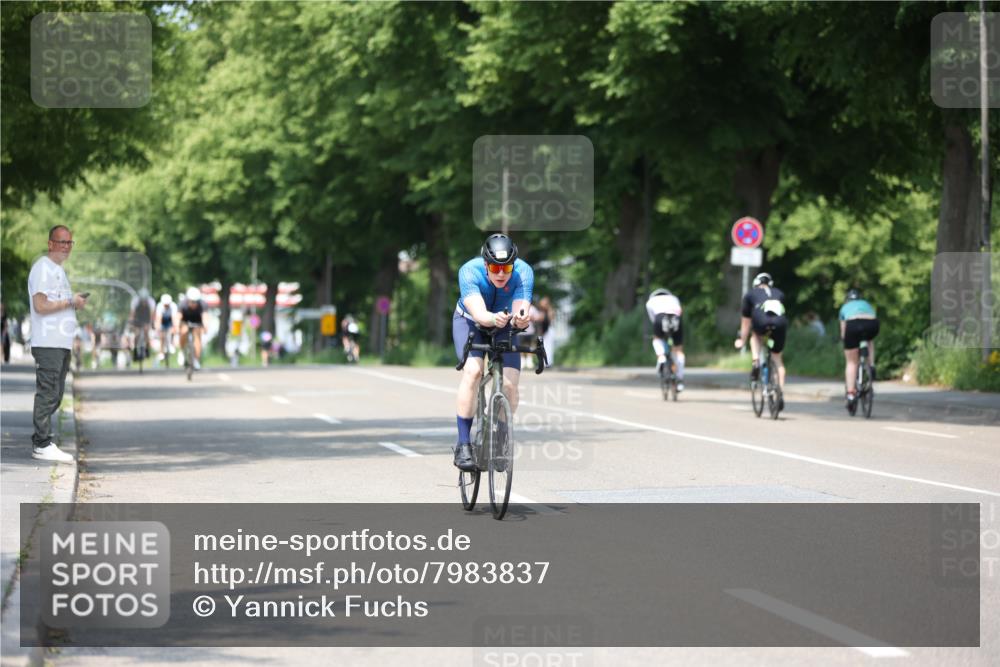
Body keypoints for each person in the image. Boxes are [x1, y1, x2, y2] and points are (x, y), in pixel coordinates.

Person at [452, 233, 533, 471]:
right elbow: (479, 314)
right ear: (486, 264)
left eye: (506, 267)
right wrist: (493, 319)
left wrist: (520, 320)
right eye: (495, 267)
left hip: (504, 324)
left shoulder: (524, 272)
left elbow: (519, 311)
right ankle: (463, 444)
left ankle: (502, 437)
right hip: (470, 321)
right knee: (473, 372)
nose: (501, 273)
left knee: (510, 383)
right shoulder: (469, 271)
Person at [27, 225, 88, 463]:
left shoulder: (57, 270)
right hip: (48, 342)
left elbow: (57, 302)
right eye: (61, 242)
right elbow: (40, 305)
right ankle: (42, 444)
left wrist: (73, 303)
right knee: (48, 393)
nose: (66, 247)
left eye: (69, 242)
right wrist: (70, 302)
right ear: (50, 243)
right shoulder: (43, 268)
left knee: (56, 394)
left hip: (60, 343)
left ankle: (43, 441)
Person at [735, 272, 788, 408]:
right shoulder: (779, 293)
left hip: (761, 320)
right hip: (780, 323)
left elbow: (746, 322)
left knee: (755, 336)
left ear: (756, 284)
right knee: (778, 359)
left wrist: (742, 339)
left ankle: (756, 361)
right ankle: (780, 393)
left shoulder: (750, 295)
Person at [839, 288, 880, 409]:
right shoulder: (866, 304)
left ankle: (851, 394)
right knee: (869, 340)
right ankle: (871, 365)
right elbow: (873, 316)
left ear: (847, 299)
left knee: (851, 362)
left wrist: (846, 342)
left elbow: (843, 331)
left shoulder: (844, 307)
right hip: (872, 324)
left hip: (853, 324)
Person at [645, 288, 685, 391]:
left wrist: (658, 333)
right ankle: (680, 380)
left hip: (660, 317)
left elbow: (653, 319)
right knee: (678, 350)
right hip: (676, 318)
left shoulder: (650, 302)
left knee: (657, 340)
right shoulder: (674, 298)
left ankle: (661, 357)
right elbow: (680, 311)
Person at [178, 286, 206, 370]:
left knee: (197, 338)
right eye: (192, 302)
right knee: (183, 331)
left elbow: (205, 317)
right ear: (188, 300)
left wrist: (206, 326)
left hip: (197, 321)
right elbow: (178, 316)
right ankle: (182, 351)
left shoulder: (202, 304)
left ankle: (196, 359)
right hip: (185, 320)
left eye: (196, 302)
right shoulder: (182, 304)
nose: (194, 304)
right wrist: (176, 326)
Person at [129, 288, 156, 363]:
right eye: (142, 300)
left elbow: (152, 314)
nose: (143, 302)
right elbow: (132, 313)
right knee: (136, 334)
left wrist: (151, 323)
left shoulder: (151, 301)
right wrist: (131, 323)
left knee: (146, 332)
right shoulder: (135, 301)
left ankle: (147, 349)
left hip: (146, 317)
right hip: (138, 317)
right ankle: (135, 351)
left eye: (145, 300)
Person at [155, 293, 177, 363]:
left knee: (172, 330)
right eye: (165, 305)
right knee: (162, 336)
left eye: (168, 304)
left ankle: (171, 343)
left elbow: (174, 318)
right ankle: (161, 352)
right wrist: (158, 328)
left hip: (170, 320)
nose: (166, 306)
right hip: (162, 321)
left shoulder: (173, 306)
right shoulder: (159, 306)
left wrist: (175, 327)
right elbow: (158, 318)